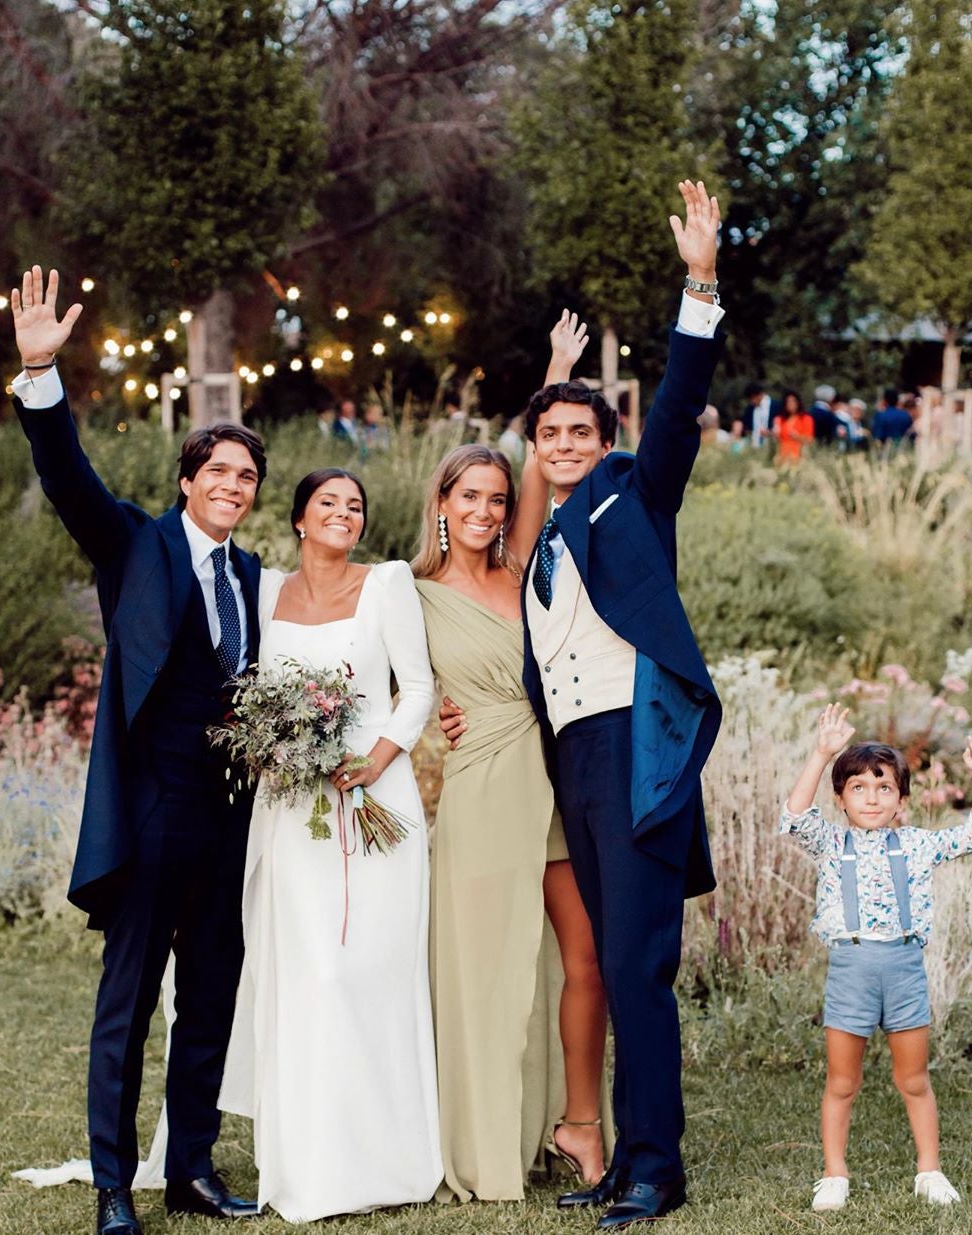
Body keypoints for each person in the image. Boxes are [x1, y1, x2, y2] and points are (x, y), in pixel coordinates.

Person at [9, 267, 262, 1235]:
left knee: (209, 1000)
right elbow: (68, 478)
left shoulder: (253, 575)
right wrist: (42, 378)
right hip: (152, 808)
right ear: (189, 481)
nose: (233, 488)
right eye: (220, 473)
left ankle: (189, 1169)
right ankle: (115, 1184)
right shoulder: (134, 546)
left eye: (247, 478)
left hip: (230, 818)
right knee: (125, 1005)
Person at [516, 179, 725, 1230]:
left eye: (577, 429)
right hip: (575, 766)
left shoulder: (635, 493)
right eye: (548, 431)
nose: (561, 441)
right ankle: (626, 1157)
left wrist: (698, 283)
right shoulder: (540, 540)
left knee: (638, 968)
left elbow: (681, 401)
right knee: (609, 957)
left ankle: (656, 1169)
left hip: (637, 754)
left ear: (604, 439)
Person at [414, 312, 610, 1203]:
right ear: (443, 507)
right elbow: (388, 693)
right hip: (481, 786)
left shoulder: (525, 562)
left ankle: (575, 1123)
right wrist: (427, 734)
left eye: (496, 498)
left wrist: (557, 372)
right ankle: (484, 1141)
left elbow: (539, 464)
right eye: (470, 498)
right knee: (487, 968)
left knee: (581, 957)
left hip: (554, 777)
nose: (489, 510)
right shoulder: (409, 593)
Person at [218, 469, 441, 1221]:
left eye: (355, 506)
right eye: (328, 504)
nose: (344, 514)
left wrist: (375, 760)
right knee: (307, 972)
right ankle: (307, 1161)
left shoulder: (388, 583)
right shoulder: (267, 589)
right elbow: (244, 685)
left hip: (376, 800)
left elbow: (418, 688)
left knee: (367, 970)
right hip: (291, 810)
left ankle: (390, 1157)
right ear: (298, 521)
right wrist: (269, 746)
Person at [781, 704, 972, 1213]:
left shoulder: (918, 845)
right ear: (840, 800)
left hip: (904, 971)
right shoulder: (831, 843)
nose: (872, 797)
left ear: (902, 800)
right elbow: (793, 817)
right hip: (851, 972)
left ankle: (929, 1170)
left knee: (914, 1079)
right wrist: (821, 753)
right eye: (858, 787)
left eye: (884, 788)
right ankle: (835, 1173)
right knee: (841, 1081)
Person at [774, 390, 814, 464]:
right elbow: (778, 439)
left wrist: (797, 436)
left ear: (798, 403)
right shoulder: (780, 419)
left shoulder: (806, 418)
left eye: (793, 401)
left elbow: (809, 439)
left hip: (799, 456)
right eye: (788, 402)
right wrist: (774, 433)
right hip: (782, 456)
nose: (790, 404)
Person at [742, 382, 774, 446]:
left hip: (770, 444)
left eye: (753, 398)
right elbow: (746, 428)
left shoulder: (776, 406)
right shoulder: (749, 410)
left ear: (760, 395)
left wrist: (770, 433)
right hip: (754, 446)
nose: (752, 401)